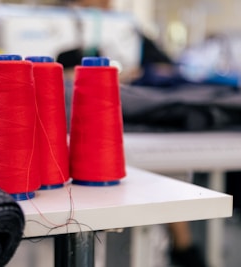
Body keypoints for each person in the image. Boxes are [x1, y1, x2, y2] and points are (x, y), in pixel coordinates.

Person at [57, 0, 207, 266]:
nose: (103, 4)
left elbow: (166, 67)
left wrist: (135, 74)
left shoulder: (129, 32)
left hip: (130, 115)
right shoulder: (61, 27)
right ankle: (184, 249)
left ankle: (182, 249)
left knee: (160, 176)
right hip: (86, 124)